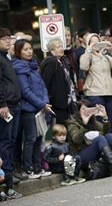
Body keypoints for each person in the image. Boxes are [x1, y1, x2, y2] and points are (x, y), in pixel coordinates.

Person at [12, 39, 52, 178]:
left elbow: (42, 86)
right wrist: (41, 104)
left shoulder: (33, 66)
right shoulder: (19, 68)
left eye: (30, 48)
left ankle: (37, 167)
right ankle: (28, 168)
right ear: (18, 52)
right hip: (28, 109)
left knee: (39, 138)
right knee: (31, 138)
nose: (29, 51)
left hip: (40, 108)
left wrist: (45, 102)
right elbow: (25, 91)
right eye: (25, 49)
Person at [66, 100, 112, 176]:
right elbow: (76, 139)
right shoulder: (72, 124)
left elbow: (105, 132)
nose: (86, 111)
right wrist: (85, 124)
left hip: (93, 153)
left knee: (109, 136)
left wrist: (105, 117)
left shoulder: (93, 121)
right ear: (78, 111)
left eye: (88, 109)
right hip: (79, 157)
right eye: (83, 109)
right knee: (100, 139)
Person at [80, 33, 112, 127]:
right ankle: (102, 139)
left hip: (109, 92)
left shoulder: (105, 57)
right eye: (93, 42)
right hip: (94, 93)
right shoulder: (87, 56)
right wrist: (89, 49)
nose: (96, 44)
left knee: (111, 119)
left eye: (98, 41)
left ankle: (110, 138)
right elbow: (84, 67)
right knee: (98, 121)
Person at [0, 27, 23, 199]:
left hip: (15, 105)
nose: (8, 41)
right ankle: (6, 186)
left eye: (9, 38)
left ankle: (8, 184)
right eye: (4, 38)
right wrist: (2, 104)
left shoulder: (6, 57)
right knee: (5, 144)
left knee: (12, 142)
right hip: (6, 107)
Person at [41, 38, 76, 124]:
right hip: (57, 105)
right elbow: (45, 83)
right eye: (58, 47)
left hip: (66, 104)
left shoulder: (62, 61)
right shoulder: (51, 62)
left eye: (61, 46)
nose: (61, 49)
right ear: (52, 50)